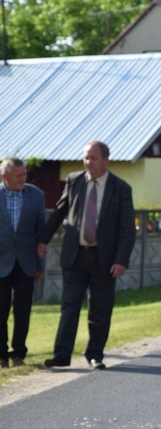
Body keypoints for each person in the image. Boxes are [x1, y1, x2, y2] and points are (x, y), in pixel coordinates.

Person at [40, 141, 136, 370]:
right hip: (75, 256)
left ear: (105, 160)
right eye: (86, 158)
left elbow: (127, 230)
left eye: (93, 158)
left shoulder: (121, 188)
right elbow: (59, 212)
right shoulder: (74, 181)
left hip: (104, 260)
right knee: (69, 307)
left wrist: (121, 260)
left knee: (100, 310)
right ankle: (62, 355)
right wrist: (42, 239)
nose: (88, 162)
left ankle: (95, 354)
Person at [0, 157, 45, 368]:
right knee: (0, 310)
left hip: (26, 263)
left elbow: (40, 235)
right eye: (19, 175)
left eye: (25, 174)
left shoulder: (36, 195)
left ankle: (19, 354)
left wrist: (40, 265)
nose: (23, 178)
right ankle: (1, 356)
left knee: (23, 310)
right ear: (4, 177)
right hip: (1, 262)